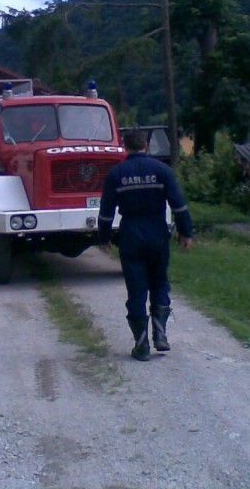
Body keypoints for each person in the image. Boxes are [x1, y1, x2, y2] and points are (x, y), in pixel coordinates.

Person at [98, 129, 193, 361]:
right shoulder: (162, 171)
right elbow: (179, 205)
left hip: (130, 235)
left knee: (137, 289)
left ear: (124, 146)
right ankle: (160, 334)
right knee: (160, 282)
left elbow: (106, 212)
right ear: (146, 145)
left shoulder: (116, 174)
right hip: (157, 233)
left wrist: (103, 238)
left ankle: (141, 345)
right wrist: (185, 232)